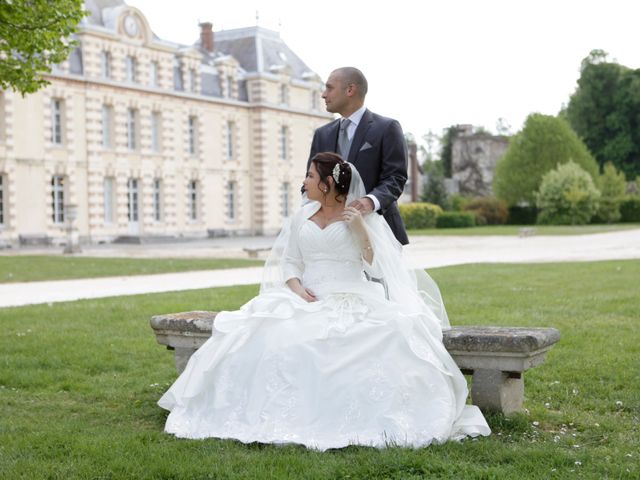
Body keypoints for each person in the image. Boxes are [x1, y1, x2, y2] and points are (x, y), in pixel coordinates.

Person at [158, 153, 490, 450]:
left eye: (310, 176)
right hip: (305, 295)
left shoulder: (359, 217)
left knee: (376, 337)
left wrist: (361, 229)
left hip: (351, 294)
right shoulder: (301, 217)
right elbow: (289, 262)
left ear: (327, 183)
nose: (304, 181)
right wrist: (298, 289)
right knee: (266, 335)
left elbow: (374, 267)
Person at [309, 67, 409, 245]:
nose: (324, 95)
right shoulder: (322, 134)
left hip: (378, 233)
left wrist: (370, 201)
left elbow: (395, 177)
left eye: (329, 88)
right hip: (330, 235)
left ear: (350, 90)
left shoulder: (387, 128)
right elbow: (310, 181)